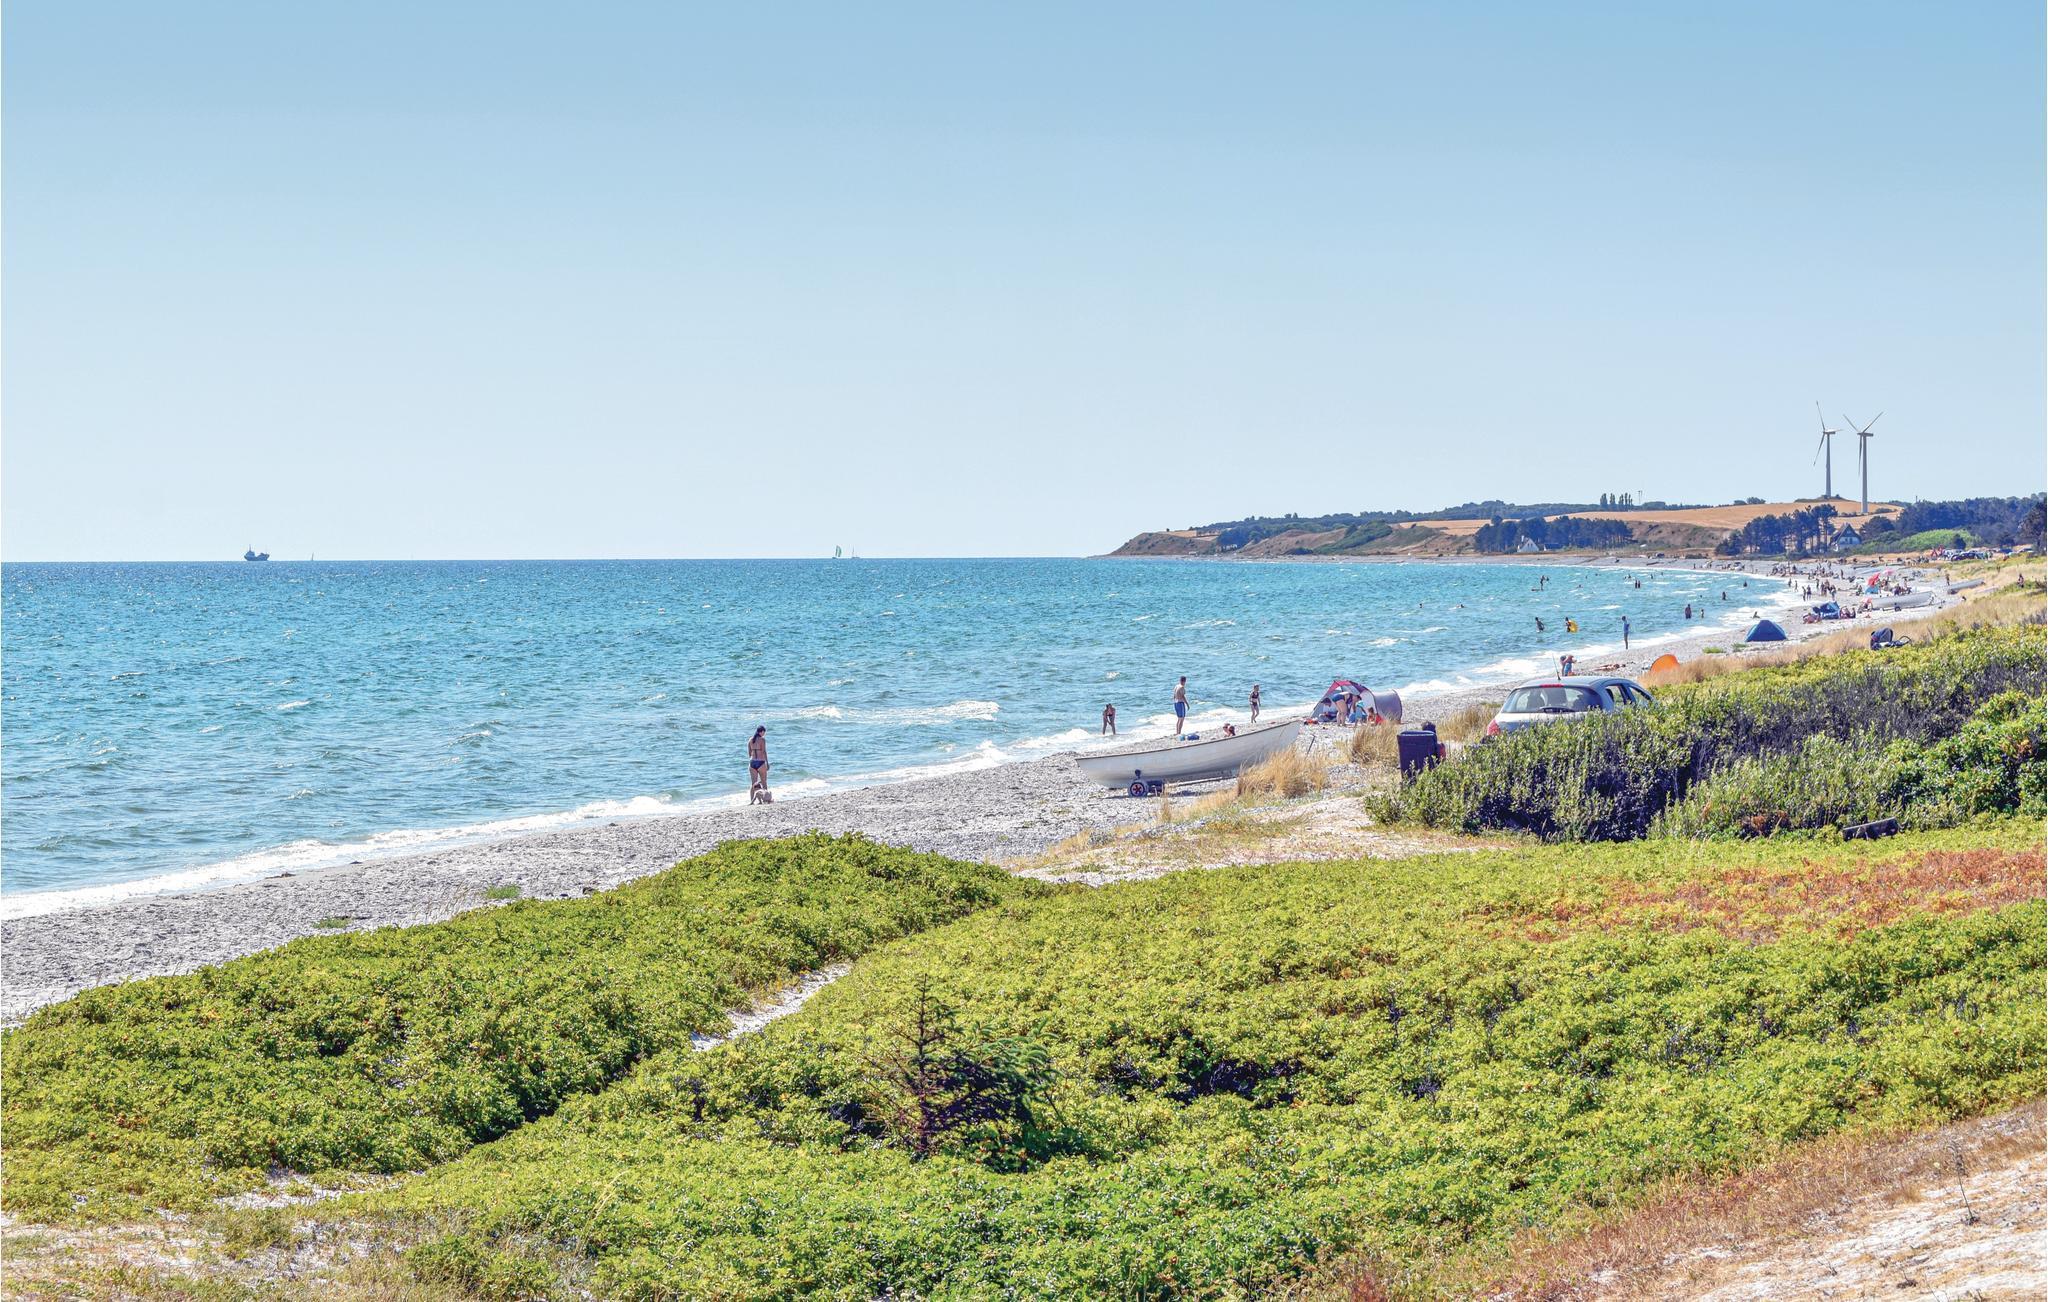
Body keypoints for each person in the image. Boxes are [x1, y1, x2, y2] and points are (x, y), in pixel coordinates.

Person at [747, 727, 770, 803]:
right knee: (764, 782)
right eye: (764, 732)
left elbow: (749, 753)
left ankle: (752, 801)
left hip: (752, 763)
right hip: (761, 762)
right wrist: (767, 763)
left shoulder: (750, 740)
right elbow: (764, 752)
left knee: (753, 783)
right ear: (761, 732)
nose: (764, 734)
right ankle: (766, 799)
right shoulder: (762, 740)